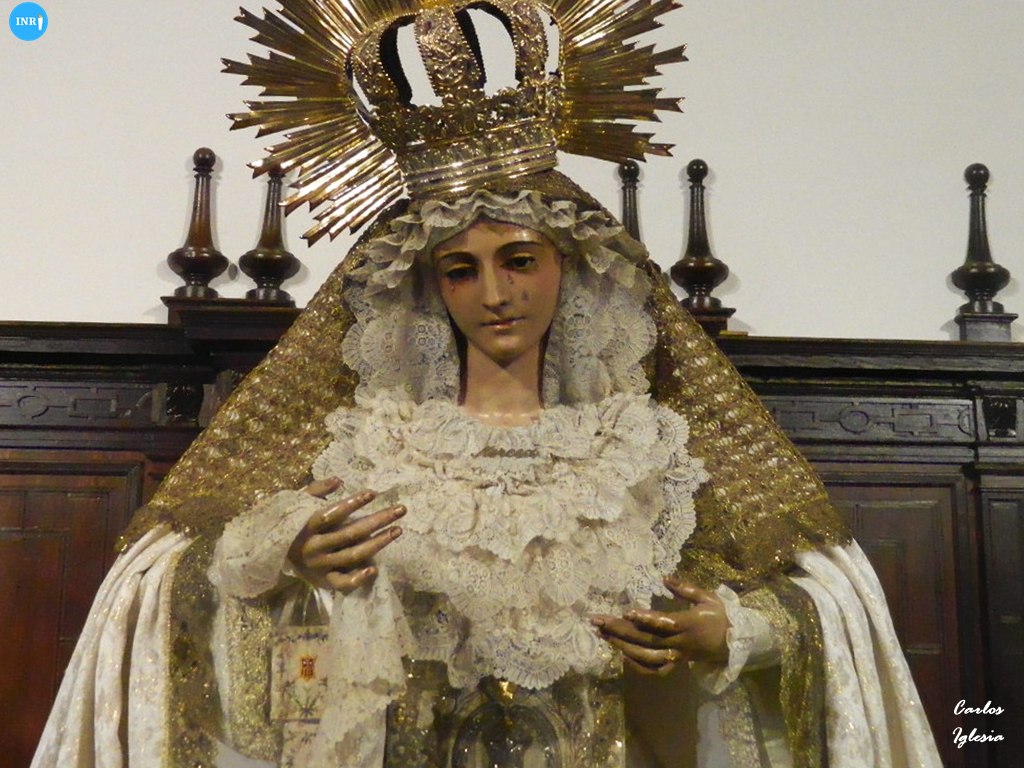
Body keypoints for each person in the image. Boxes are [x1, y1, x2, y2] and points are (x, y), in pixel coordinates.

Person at [32, 0, 943, 766]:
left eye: (519, 260)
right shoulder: (370, 442)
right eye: (461, 270)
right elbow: (166, 583)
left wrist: (731, 634)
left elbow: (823, 598)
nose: (495, 295)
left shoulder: (643, 450)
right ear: (428, 287)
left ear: (570, 268)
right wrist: (288, 554)